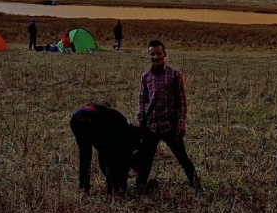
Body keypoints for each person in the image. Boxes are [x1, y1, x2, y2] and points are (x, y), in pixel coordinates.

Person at [136, 39, 200, 191]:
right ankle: (140, 186)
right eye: (152, 54)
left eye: (158, 53)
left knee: (182, 157)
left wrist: (182, 122)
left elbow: (182, 101)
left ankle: (197, 186)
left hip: (170, 125)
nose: (155, 57)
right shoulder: (145, 77)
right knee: (146, 159)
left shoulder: (174, 75)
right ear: (149, 55)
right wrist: (141, 122)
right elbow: (142, 101)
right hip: (151, 126)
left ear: (164, 54)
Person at [68, 103, 143, 193]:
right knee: (107, 154)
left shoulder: (122, 124)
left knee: (86, 155)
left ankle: (84, 188)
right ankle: (112, 188)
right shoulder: (128, 132)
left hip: (76, 118)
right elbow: (123, 156)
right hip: (93, 118)